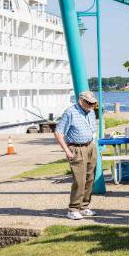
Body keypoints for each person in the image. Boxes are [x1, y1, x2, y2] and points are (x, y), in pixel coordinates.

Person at [54, 91, 98, 220]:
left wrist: (93, 144)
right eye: (89, 103)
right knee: (79, 180)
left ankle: (84, 206)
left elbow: (92, 129)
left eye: (93, 103)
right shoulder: (70, 112)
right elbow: (58, 133)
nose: (91, 105)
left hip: (90, 146)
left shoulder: (90, 111)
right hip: (76, 148)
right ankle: (73, 208)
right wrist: (67, 151)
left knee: (90, 178)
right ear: (81, 101)